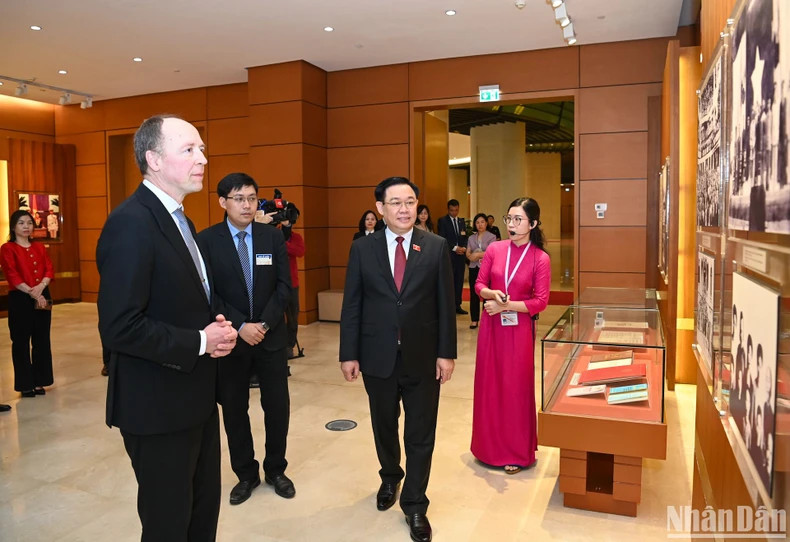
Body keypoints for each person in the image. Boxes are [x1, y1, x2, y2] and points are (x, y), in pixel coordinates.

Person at [96, 114, 238, 541]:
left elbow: (182, 297)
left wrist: (214, 325)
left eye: (202, 149)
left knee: (200, 516)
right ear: (154, 160)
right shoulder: (132, 223)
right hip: (156, 407)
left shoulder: (180, 220)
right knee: (168, 524)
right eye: (190, 150)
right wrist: (199, 341)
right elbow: (120, 326)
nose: (203, 160)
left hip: (193, 398)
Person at [340, 176, 456, 542]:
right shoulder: (363, 248)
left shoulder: (435, 247)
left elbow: (445, 305)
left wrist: (446, 353)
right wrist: (349, 353)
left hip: (423, 358)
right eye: (395, 202)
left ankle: (416, 504)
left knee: (421, 433)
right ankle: (390, 476)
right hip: (377, 357)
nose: (404, 209)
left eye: (410, 201)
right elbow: (353, 304)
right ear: (380, 208)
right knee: (384, 426)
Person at [197, 172, 295, 505]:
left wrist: (263, 324)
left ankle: (276, 469)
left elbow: (284, 287)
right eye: (239, 198)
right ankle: (246, 473)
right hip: (229, 340)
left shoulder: (272, 237)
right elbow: (207, 294)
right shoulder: (206, 241)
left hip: (270, 338)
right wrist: (241, 326)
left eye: (252, 198)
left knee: (277, 406)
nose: (247, 205)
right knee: (235, 409)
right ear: (222, 202)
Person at [471, 197, 551, 474]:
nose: (512, 225)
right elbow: (479, 283)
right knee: (489, 385)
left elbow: (540, 302)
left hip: (517, 329)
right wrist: (491, 294)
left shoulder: (540, 258)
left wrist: (505, 305)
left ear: (533, 223)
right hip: (491, 326)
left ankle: (516, 451)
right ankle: (487, 448)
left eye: (519, 219)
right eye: (509, 219)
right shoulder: (495, 248)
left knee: (515, 388)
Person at [0, 209, 54, 398]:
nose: (26, 226)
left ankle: (41, 380)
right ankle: (25, 383)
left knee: (42, 339)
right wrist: (32, 291)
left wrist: (41, 287)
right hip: (21, 297)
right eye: (22, 223)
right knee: (21, 341)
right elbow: (12, 274)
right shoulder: (7, 248)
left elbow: (49, 268)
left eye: (29, 223)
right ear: (14, 226)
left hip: (42, 294)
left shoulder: (39, 246)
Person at [465, 213, 496, 330]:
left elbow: (491, 252)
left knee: (486, 294)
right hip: (474, 268)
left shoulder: (491, 236)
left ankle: (485, 319)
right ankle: (474, 320)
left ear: (486, 223)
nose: (480, 225)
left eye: (482, 222)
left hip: (486, 269)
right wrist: (471, 256)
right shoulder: (471, 238)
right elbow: (468, 253)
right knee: (474, 294)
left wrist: (477, 254)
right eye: (477, 222)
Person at [437, 199, 467, 314]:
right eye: (452, 210)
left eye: (456, 210)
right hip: (449, 256)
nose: (454, 212)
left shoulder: (461, 221)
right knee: (450, 282)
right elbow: (442, 238)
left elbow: (465, 237)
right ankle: (449, 307)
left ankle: (457, 305)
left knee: (459, 281)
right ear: (448, 209)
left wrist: (463, 247)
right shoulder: (443, 221)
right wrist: (455, 248)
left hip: (460, 257)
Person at [282, 218, 304, 360]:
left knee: (292, 317)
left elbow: (300, 251)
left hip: (292, 283)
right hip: (275, 282)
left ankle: (289, 346)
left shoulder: (296, 237)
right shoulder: (273, 234)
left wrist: (283, 244)